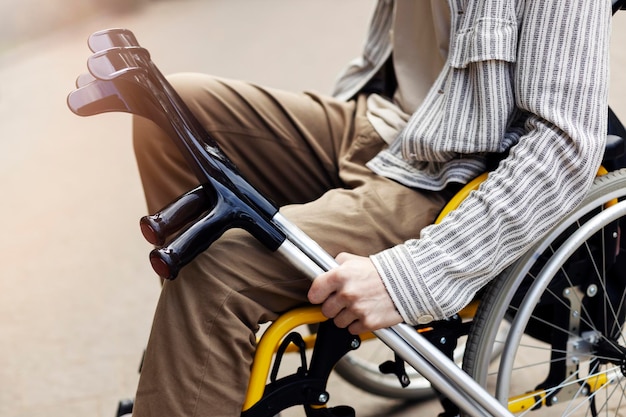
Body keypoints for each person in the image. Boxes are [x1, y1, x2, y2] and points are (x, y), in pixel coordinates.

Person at [130, 1, 611, 416]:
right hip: (387, 126)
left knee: (214, 263)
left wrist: (413, 275)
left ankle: (199, 344)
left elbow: (564, 146)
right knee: (170, 112)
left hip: (452, 177)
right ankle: (197, 366)